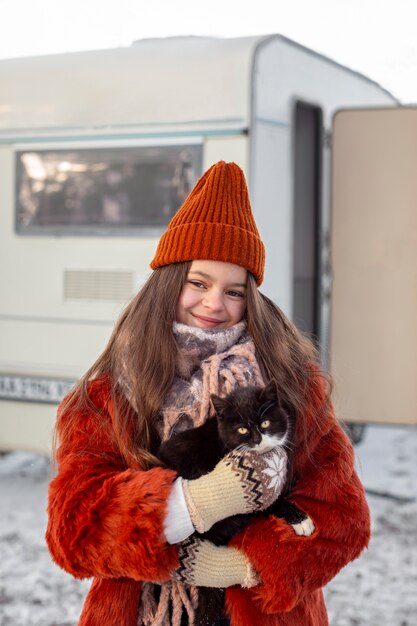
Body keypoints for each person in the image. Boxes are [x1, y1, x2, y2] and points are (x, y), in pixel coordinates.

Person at [46, 161, 370, 626]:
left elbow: (343, 522)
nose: (215, 304)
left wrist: (247, 566)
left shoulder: (292, 384)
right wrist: (199, 503)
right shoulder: (109, 394)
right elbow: (73, 529)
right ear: (168, 280)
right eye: (198, 282)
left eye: (235, 291)